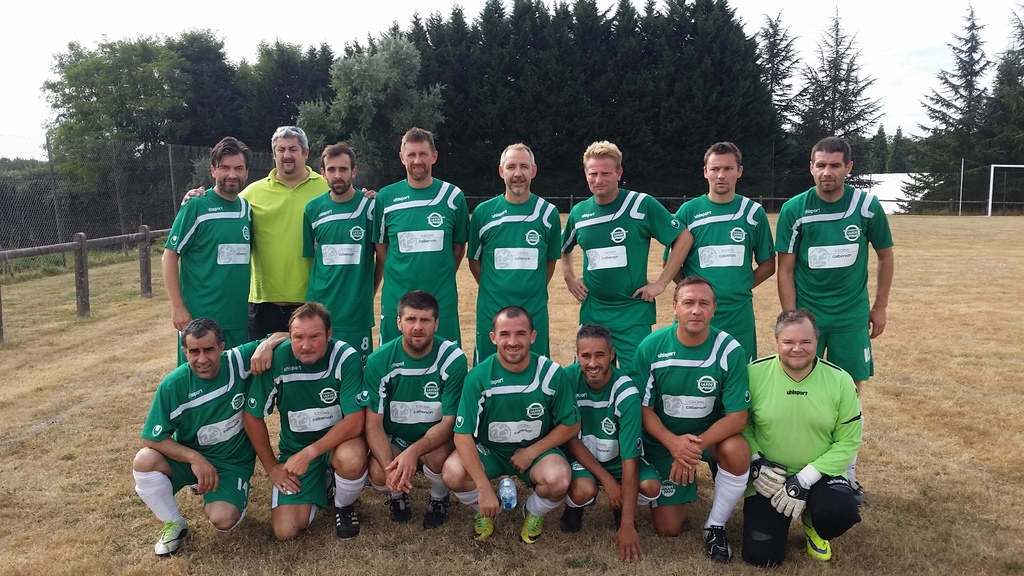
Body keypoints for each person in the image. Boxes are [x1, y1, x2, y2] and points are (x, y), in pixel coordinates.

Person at [775, 136, 894, 501]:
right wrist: (792, 318)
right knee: (799, 390)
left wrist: (880, 305)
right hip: (808, 318)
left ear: (848, 168)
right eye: (821, 165)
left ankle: (846, 474)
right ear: (811, 167)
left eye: (835, 165)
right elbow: (785, 269)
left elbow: (885, 256)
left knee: (849, 393)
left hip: (850, 316)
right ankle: (798, 464)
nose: (827, 172)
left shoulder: (867, 206)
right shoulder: (795, 209)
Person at [132, 318, 285, 556]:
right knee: (144, 460)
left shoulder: (237, 361)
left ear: (222, 347)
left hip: (232, 463)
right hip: (193, 460)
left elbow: (284, 335)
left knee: (224, 519)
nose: (202, 359)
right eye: (194, 351)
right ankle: (174, 522)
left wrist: (266, 345)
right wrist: (194, 458)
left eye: (209, 350)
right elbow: (152, 438)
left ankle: (228, 492)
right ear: (184, 352)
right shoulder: (173, 385)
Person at [631, 276, 751, 563]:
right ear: (674, 307)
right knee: (668, 528)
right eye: (688, 303)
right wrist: (673, 444)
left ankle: (715, 526)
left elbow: (737, 418)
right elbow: (643, 409)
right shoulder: (651, 347)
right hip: (664, 440)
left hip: (709, 438)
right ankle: (677, 485)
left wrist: (690, 449)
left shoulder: (730, 350)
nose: (696, 310)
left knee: (738, 451)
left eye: (703, 303)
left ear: (714, 309)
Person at [442, 306, 580, 544]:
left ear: (533, 336)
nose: (513, 342)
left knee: (559, 479)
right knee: (453, 473)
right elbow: (462, 435)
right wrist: (484, 488)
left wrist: (532, 452)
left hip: (535, 451)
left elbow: (571, 424)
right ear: (493, 337)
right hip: (490, 451)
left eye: (520, 334)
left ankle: (533, 511)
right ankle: (484, 509)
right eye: (505, 334)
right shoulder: (478, 377)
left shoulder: (551, 373)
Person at [742, 309, 862, 567]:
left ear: (817, 340)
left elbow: (848, 441)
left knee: (841, 512)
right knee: (761, 557)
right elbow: (742, 425)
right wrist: (756, 461)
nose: (797, 349)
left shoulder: (840, 380)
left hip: (820, 475)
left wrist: (805, 478)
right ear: (776, 341)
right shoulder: (753, 374)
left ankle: (814, 523)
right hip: (770, 477)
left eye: (806, 341)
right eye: (789, 342)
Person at [561, 140, 690, 372]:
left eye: (606, 173)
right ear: (586, 174)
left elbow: (683, 238)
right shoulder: (579, 213)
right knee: (591, 379)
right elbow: (562, 247)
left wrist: (661, 283)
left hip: (633, 313)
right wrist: (569, 276)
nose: (598, 180)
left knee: (638, 381)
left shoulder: (641, 205)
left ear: (619, 173)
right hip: (593, 313)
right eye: (593, 174)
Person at [242, 303, 368, 541]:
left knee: (352, 458)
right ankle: (324, 481)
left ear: (329, 335)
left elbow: (355, 422)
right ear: (290, 336)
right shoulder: (278, 358)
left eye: (315, 337)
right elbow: (252, 415)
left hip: (338, 444)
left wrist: (309, 454)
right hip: (295, 448)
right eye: (298, 337)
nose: (306, 346)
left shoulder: (345, 357)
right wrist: (272, 468)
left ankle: (343, 505)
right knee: (285, 531)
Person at [361, 290, 467, 529]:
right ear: (399, 323)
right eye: (410, 319)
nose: (418, 327)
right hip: (396, 439)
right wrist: (391, 468)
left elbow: (450, 421)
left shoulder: (453, 359)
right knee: (378, 472)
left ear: (436, 324)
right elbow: (373, 423)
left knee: (438, 458)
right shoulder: (379, 361)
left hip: (434, 441)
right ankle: (397, 494)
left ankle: (439, 497)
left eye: (425, 320)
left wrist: (414, 451)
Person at [662, 142, 775, 361]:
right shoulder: (688, 212)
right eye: (715, 169)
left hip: (738, 314)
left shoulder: (753, 212)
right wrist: (693, 293)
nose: (721, 175)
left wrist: (740, 285)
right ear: (705, 172)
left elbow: (769, 265)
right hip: (696, 314)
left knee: (739, 372)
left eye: (728, 168)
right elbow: (670, 263)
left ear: (739, 171)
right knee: (693, 371)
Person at [559, 324, 661, 564]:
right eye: (586, 355)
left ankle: (621, 510)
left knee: (651, 487)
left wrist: (627, 525)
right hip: (583, 455)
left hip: (617, 458)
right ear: (577, 354)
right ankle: (574, 507)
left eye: (600, 355)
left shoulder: (626, 391)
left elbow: (630, 458)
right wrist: (608, 481)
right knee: (583, 489)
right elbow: (571, 440)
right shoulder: (567, 380)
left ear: (611, 354)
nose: (593, 363)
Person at [372, 127, 469, 347]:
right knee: (394, 362)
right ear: (402, 158)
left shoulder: (453, 196)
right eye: (411, 155)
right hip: (396, 300)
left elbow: (458, 247)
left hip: (441, 301)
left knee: (445, 362)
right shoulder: (386, 197)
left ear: (434, 156)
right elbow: (381, 246)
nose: (417, 160)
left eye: (423, 154)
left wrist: (438, 273)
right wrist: (400, 272)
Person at [468, 143, 560, 364]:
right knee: (488, 375)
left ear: (533, 171)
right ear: (501, 171)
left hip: (534, 313)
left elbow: (549, 262)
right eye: (511, 167)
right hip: (491, 312)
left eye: (524, 167)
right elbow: (474, 261)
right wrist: (495, 288)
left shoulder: (548, 213)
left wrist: (531, 288)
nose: (518, 173)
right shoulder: (483, 213)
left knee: (535, 374)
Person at [162, 137, 253, 363]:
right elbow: (169, 256)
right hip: (200, 320)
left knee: (235, 378)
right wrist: (177, 307)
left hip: (238, 319)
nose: (232, 174)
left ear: (246, 172)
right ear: (213, 170)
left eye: (238, 168)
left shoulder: (247, 209)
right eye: (225, 168)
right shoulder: (197, 206)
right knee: (199, 379)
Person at [240, 126, 329, 340]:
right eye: (281, 149)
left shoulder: (326, 187)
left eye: (293, 149)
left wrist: (370, 197)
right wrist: (197, 197)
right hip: (263, 302)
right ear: (274, 154)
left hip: (311, 300)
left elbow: (353, 202)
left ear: (305, 153)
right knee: (261, 360)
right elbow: (224, 204)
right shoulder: (252, 193)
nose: (286, 155)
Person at [303, 142, 383, 364]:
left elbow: (381, 259)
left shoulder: (370, 208)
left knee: (356, 373)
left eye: (343, 169)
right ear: (323, 173)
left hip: (356, 313)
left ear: (354, 171)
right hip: (319, 311)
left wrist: (367, 292)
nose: (337, 175)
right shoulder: (312, 209)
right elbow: (313, 260)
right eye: (331, 169)